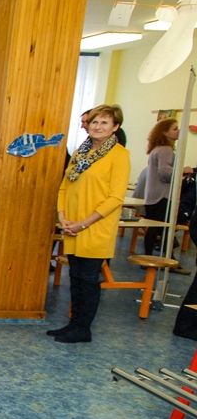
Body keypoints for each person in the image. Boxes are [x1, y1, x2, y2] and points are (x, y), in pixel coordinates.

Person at [47, 104, 130, 343]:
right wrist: (62, 215)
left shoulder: (120, 155)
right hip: (72, 224)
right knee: (76, 277)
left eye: (104, 122)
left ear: (115, 127)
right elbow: (65, 185)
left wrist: (85, 223)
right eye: (94, 122)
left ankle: (83, 328)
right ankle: (73, 324)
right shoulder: (80, 154)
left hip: (95, 226)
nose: (97, 126)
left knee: (89, 279)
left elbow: (115, 197)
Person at [141, 118, 180, 255]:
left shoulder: (157, 149)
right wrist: (181, 171)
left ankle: (149, 256)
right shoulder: (166, 150)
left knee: (154, 228)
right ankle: (166, 257)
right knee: (161, 227)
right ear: (165, 132)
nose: (178, 131)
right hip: (161, 195)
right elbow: (165, 173)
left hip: (153, 195)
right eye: (174, 129)